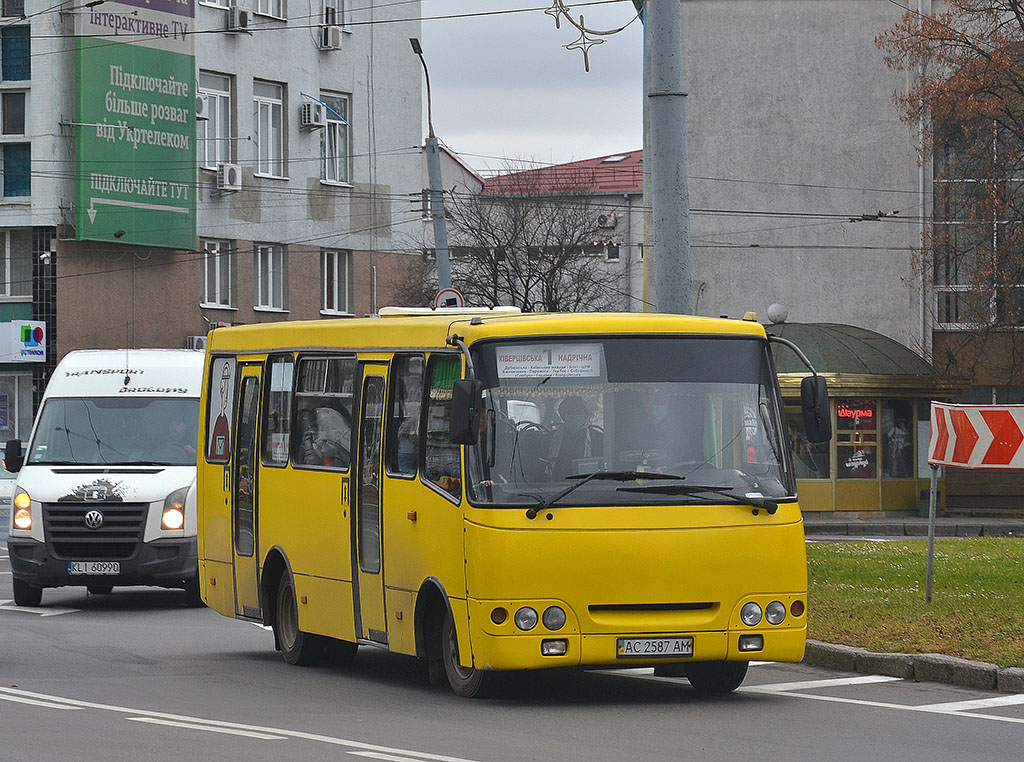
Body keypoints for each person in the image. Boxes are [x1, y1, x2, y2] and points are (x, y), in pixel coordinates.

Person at [545, 395, 603, 477]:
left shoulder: (599, 438)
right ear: (562, 415)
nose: (574, 415)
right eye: (569, 412)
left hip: (589, 485)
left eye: (578, 411)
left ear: (585, 415)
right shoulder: (550, 438)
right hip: (556, 485)